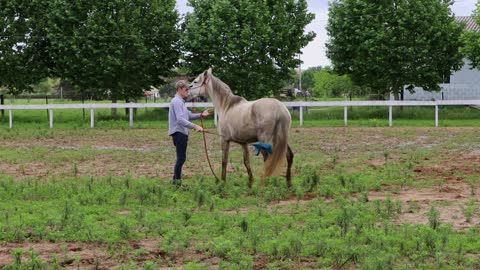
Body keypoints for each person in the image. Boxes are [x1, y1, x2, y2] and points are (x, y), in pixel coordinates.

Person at [168, 79, 211, 185]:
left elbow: (188, 115)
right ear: (179, 89)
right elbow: (180, 120)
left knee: (181, 158)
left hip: (181, 133)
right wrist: (195, 126)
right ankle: (177, 183)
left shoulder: (180, 102)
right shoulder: (176, 102)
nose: (188, 91)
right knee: (181, 158)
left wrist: (201, 114)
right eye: (186, 89)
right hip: (179, 133)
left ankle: (175, 181)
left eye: (188, 89)